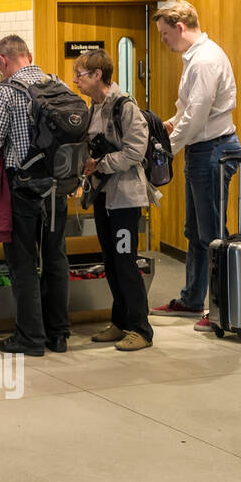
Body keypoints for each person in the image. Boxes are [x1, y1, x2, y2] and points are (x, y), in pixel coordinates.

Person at [149, 1, 240, 331]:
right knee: (196, 233)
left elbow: (198, 116)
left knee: (213, 235)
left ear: (180, 27)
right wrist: (167, 125)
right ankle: (192, 300)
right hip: (202, 150)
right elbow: (187, 110)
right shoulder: (196, 58)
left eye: (164, 34)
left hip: (213, 150)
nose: (163, 40)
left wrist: (165, 151)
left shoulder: (204, 60)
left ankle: (224, 309)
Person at [0, 35, 70, 356]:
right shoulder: (58, 84)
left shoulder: (6, 91)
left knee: (23, 264)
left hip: (23, 189)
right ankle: (58, 334)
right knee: (56, 259)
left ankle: (30, 337)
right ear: (29, 55)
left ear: (2, 61)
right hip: (59, 188)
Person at [72, 49, 159, 352]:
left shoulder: (125, 106)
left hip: (124, 199)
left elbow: (135, 150)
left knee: (125, 262)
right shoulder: (93, 107)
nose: (75, 81)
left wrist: (102, 164)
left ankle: (141, 329)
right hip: (102, 195)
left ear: (98, 75)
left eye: (80, 75)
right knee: (110, 261)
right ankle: (120, 321)